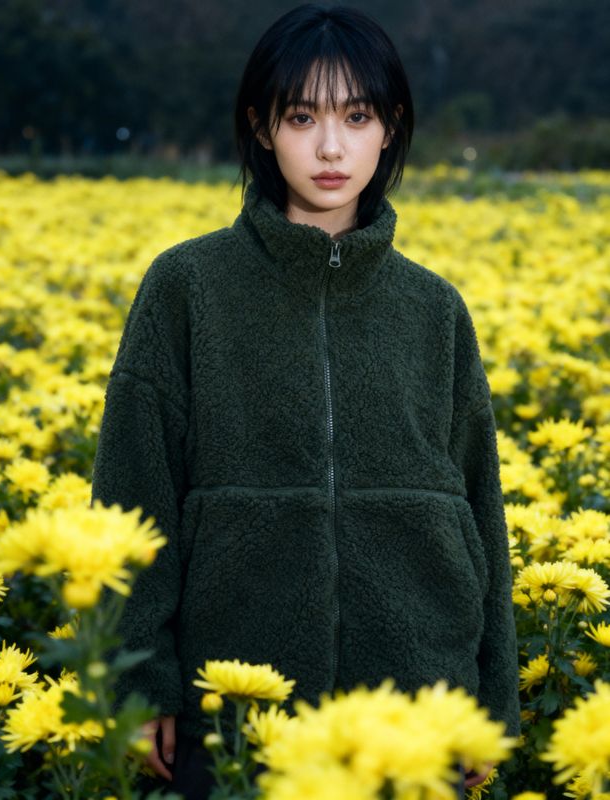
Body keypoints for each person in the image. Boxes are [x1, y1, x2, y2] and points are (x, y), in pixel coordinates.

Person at [90, 4, 521, 799]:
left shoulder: (434, 307)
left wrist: (492, 703)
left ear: (390, 128)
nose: (330, 147)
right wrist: (140, 683)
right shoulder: (187, 286)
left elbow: (478, 508)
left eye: (357, 117)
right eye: (301, 117)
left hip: (419, 709)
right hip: (236, 712)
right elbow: (131, 495)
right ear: (261, 127)